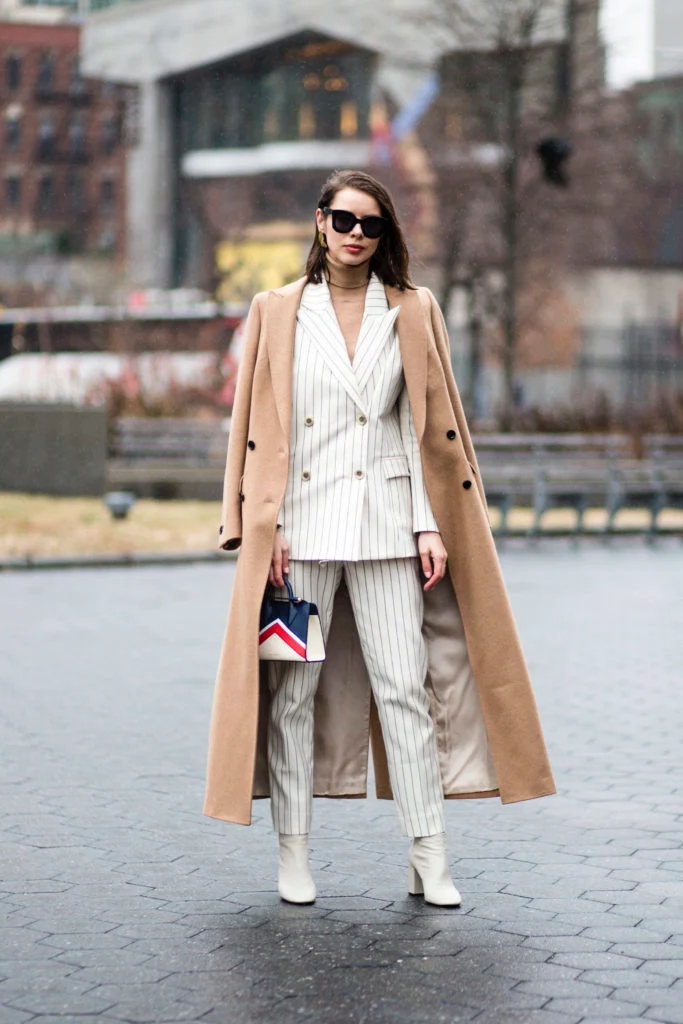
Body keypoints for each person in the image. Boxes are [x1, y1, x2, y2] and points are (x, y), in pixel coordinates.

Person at [204, 170, 555, 908]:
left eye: (370, 224)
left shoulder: (412, 309)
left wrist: (430, 524)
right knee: (292, 700)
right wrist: (261, 530)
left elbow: (420, 427)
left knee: (406, 692)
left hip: (390, 529)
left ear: (384, 234)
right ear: (318, 223)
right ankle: (293, 855)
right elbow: (254, 433)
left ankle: (429, 856)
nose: (355, 234)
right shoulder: (275, 312)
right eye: (342, 219)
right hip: (298, 537)